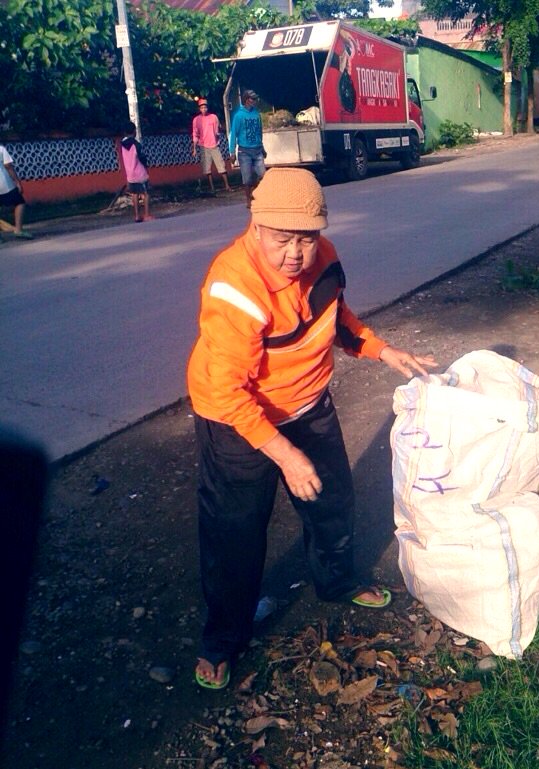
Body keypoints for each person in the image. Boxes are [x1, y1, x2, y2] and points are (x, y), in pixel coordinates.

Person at [187, 167, 437, 689]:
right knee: (234, 534)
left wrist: (382, 350)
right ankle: (223, 640)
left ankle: (338, 582)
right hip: (235, 419)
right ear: (256, 228)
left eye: (306, 238)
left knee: (332, 504)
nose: (295, 254)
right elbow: (231, 392)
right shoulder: (233, 288)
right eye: (283, 240)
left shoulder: (325, 258)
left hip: (306, 402)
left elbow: (337, 319)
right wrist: (284, 452)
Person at [228, 89, 266, 208]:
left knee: (263, 176)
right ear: (246, 100)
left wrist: (263, 147)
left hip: (257, 149)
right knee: (247, 178)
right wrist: (232, 152)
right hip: (244, 151)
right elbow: (234, 134)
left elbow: (259, 132)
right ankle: (248, 199)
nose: (254, 101)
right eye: (252, 99)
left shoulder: (256, 114)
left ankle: (256, 193)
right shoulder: (239, 116)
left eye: (255, 99)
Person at [191, 98, 232, 194]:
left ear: (207, 108)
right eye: (202, 108)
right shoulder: (196, 120)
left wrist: (218, 135)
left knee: (221, 166)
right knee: (207, 169)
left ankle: (227, 186)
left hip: (214, 145)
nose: (204, 109)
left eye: (205, 107)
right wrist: (194, 149)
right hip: (203, 146)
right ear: (199, 109)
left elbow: (218, 129)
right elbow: (195, 134)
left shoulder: (213, 117)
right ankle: (212, 187)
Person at [120, 122, 153, 223]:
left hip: (130, 174)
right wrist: (146, 165)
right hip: (139, 172)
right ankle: (146, 215)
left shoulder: (122, 145)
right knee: (145, 193)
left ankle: (137, 216)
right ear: (134, 131)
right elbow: (141, 157)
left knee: (134, 194)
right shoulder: (136, 144)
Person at [0, 144, 34, 239]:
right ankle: (18, 230)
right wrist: (17, 181)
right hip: (3, 183)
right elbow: (8, 166)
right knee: (19, 202)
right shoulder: (1, 149)